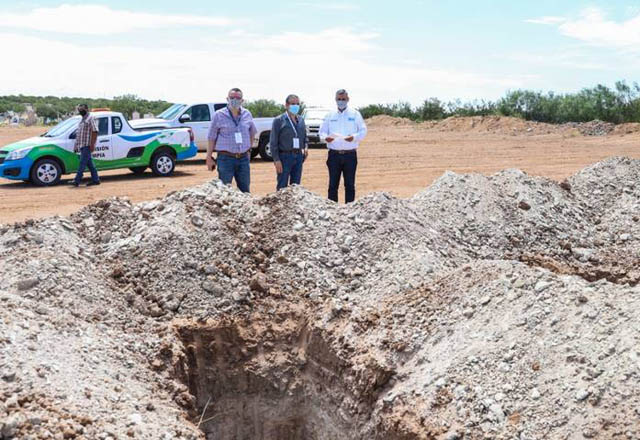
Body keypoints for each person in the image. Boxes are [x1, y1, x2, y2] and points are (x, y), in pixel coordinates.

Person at [319, 89, 367, 203]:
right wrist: (326, 138)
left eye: (343, 99)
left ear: (348, 99)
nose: (341, 101)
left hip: (350, 155)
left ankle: (349, 209)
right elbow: (322, 132)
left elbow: (363, 130)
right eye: (339, 99)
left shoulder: (355, 114)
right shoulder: (330, 115)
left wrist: (354, 137)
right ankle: (333, 209)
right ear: (335, 99)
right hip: (334, 155)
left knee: (350, 185)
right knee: (332, 185)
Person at [206, 88, 257, 193]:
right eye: (232, 97)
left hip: (243, 159)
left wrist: (249, 150)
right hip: (225, 159)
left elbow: (252, 133)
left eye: (238, 98)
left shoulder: (247, 114)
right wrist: (209, 157)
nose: (235, 100)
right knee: (224, 191)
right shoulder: (218, 115)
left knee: (245, 191)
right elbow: (211, 137)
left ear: (242, 100)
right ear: (227, 99)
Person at [270, 94, 308, 190]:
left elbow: (305, 137)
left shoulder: (301, 120)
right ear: (286, 105)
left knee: (296, 187)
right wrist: (276, 160)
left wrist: (306, 147)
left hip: (298, 157)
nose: (296, 106)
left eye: (297, 104)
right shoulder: (279, 120)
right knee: (282, 186)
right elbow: (273, 142)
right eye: (293, 104)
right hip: (284, 157)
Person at [70, 104, 100, 187]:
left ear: (87, 109)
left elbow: (95, 131)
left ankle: (77, 180)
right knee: (90, 164)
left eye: (82, 109)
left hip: (87, 145)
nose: (80, 111)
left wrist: (92, 144)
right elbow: (79, 134)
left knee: (82, 163)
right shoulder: (82, 120)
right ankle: (96, 180)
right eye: (79, 110)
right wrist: (76, 146)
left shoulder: (90, 118)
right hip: (82, 145)